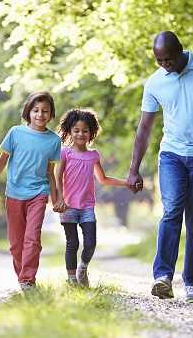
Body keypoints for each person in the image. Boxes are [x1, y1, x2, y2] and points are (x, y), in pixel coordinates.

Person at [127, 31, 193, 303]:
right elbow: (144, 128)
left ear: (181, 51)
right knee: (172, 210)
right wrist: (134, 168)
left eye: (169, 59)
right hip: (172, 155)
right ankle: (162, 277)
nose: (164, 64)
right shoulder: (155, 82)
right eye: (159, 60)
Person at [0, 91, 64, 291]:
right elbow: (1, 162)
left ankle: (27, 279)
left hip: (38, 194)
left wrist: (55, 197)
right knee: (16, 244)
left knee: (32, 238)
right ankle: (22, 277)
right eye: (36, 110)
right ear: (28, 111)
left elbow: (51, 173)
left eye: (45, 111)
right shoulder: (15, 132)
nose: (40, 115)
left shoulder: (53, 140)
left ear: (51, 115)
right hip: (14, 193)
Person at [56, 109, 129, 287]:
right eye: (76, 130)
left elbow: (103, 179)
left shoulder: (93, 155)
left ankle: (83, 268)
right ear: (69, 132)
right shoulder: (65, 153)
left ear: (91, 133)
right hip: (68, 206)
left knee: (91, 242)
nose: (81, 134)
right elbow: (57, 176)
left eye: (85, 130)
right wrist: (58, 199)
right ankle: (72, 280)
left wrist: (126, 183)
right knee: (72, 243)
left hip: (87, 207)